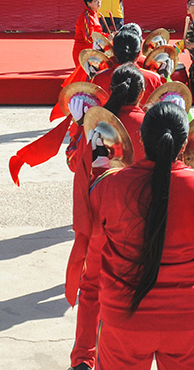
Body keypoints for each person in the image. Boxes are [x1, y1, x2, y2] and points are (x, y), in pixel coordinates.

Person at [83, 101, 194, 369]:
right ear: (183, 145)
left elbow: (91, 213)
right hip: (187, 319)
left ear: (139, 138)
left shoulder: (111, 185)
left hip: (124, 318)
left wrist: (100, 166)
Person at [68, 65, 147, 370]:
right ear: (142, 93)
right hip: (138, 222)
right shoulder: (150, 124)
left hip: (102, 218)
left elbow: (76, 164)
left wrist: (80, 127)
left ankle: (83, 358)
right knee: (134, 290)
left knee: (91, 289)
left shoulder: (96, 127)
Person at [92, 28, 163, 101]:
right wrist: (165, 76)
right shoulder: (153, 79)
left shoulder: (98, 78)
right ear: (138, 54)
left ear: (113, 52)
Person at [72, 0, 104, 68]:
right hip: (84, 52)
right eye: (95, 1)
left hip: (91, 51)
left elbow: (97, 33)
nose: (99, 2)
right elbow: (89, 39)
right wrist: (104, 39)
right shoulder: (87, 17)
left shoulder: (94, 13)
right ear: (88, 3)